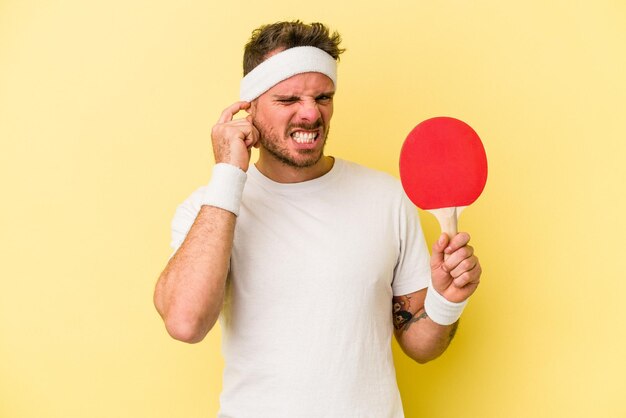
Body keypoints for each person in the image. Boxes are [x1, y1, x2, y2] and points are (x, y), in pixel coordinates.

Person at [154, 21, 482, 418]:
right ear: (248, 107)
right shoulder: (209, 209)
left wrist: (447, 300)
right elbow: (185, 323)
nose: (310, 114)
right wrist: (227, 174)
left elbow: (421, 347)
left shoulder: (386, 198)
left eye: (323, 97)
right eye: (288, 98)